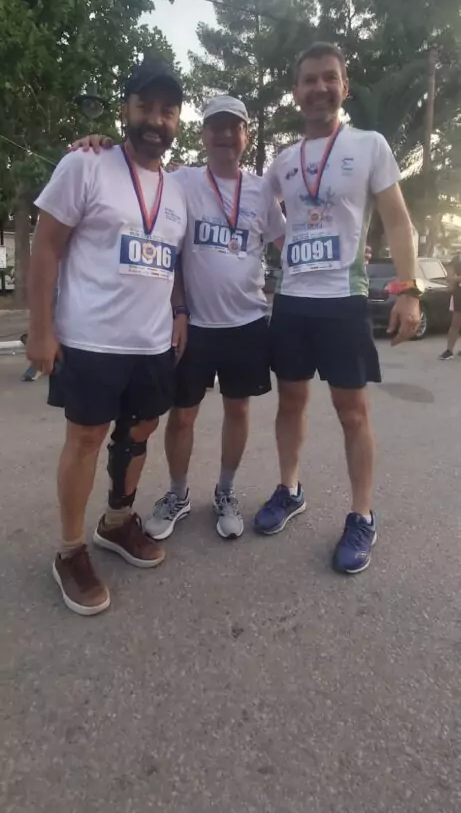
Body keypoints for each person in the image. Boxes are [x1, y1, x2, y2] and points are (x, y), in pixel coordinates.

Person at [71, 96, 285, 540]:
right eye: (216, 127)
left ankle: (226, 492)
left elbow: (286, 242)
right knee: (182, 417)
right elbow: (136, 169)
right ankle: (177, 494)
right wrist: (102, 144)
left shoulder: (262, 190)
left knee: (238, 409)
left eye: (234, 127)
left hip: (246, 322)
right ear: (202, 134)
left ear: (246, 135)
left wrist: (339, 260)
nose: (225, 135)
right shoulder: (180, 181)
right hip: (194, 326)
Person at [27, 59, 188, 615]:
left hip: (152, 344)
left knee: (140, 433)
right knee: (86, 440)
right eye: (145, 106)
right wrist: (41, 330)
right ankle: (70, 550)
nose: (156, 120)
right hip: (90, 341)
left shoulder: (177, 189)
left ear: (177, 120)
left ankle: (117, 521)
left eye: (167, 111)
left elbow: (173, 261)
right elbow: (46, 246)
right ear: (125, 110)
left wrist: (180, 312)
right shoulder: (85, 165)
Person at [254, 42, 421, 573]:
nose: (320, 88)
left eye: (330, 78)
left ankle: (362, 515)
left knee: (353, 413)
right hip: (293, 302)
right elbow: (260, 213)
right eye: (309, 79)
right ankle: (290, 489)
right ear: (296, 92)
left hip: (343, 301)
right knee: (290, 404)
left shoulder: (370, 145)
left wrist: (409, 289)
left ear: (344, 87)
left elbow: (398, 220)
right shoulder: (283, 162)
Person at [439, 254, 461, 359]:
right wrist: (454, 280)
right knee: (455, 324)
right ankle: (449, 350)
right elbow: (450, 277)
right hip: (458, 295)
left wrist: (456, 279)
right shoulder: (456, 259)